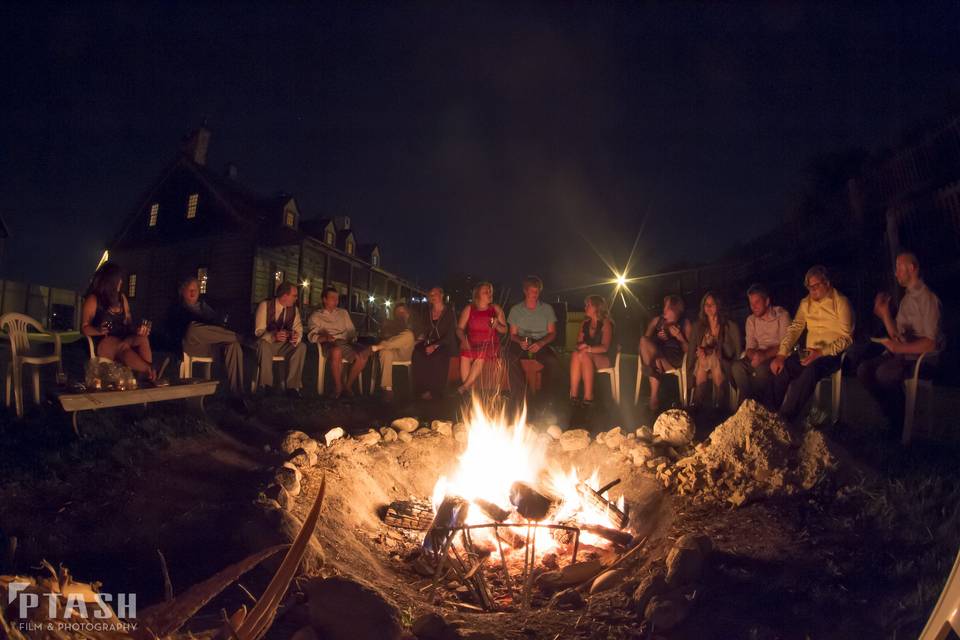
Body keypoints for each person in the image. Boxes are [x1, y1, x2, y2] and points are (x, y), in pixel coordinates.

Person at [857, 251, 943, 431]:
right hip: (902, 356)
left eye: (898, 268)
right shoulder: (906, 299)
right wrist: (885, 314)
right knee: (864, 369)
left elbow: (931, 343)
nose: (895, 273)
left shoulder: (928, 299)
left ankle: (899, 425)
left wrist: (899, 347)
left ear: (911, 268)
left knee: (884, 373)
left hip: (922, 359)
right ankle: (893, 415)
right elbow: (897, 335)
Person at [771, 265, 853, 422]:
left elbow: (847, 338)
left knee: (811, 370)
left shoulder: (841, 302)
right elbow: (795, 329)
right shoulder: (805, 304)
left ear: (827, 283)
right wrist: (781, 354)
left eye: (816, 286)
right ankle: (768, 412)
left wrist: (821, 352)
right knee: (785, 366)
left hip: (830, 355)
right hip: (809, 353)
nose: (812, 290)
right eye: (809, 287)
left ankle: (786, 419)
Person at [167, 276, 244, 395]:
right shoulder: (177, 308)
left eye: (195, 290)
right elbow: (176, 332)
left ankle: (237, 394)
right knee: (192, 328)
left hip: (210, 346)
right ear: (182, 292)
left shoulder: (204, 307)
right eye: (189, 290)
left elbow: (217, 328)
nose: (193, 292)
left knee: (233, 345)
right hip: (191, 345)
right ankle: (241, 337)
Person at [80, 262, 156, 381]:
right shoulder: (94, 299)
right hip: (103, 340)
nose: (121, 282)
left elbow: (128, 323)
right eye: (119, 279)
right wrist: (98, 330)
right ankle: (149, 370)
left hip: (122, 336)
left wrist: (138, 330)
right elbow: (84, 328)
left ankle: (145, 378)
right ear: (112, 281)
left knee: (142, 339)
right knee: (122, 346)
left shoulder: (122, 298)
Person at [730, 284, 790, 410]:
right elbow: (750, 347)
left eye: (757, 302)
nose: (753, 306)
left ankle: (760, 407)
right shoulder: (751, 320)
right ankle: (750, 404)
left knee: (762, 370)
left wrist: (764, 356)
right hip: (757, 355)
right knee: (737, 367)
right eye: (751, 303)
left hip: (774, 355)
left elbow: (785, 344)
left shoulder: (782, 316)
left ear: (767, 301)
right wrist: (755, 356)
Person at [307, 287, 370, 398]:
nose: (336, 301)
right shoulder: (316, 316)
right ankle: (338, 387)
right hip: (330, 343)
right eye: (332, 298)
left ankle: (347, 385)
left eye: (337, 298)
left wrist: (353, 339)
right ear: (324, 299)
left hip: (345, 342)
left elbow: (351, 331)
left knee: (364, 354)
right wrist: (325, 338)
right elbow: (311, 335)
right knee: (336, 351)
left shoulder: (343, 313)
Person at [506, 276, 559, 403]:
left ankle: (545, 398)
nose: (535, 294)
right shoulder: (516, 310)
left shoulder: (547, 309)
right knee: (509, 356)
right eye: (532, 291)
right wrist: (520, 341)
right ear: (525, 291)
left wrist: (541, 343)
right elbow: (512, 334)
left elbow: (552, 333)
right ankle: (521, 395)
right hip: (521, 342)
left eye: (537, 291)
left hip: (541, 342)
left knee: (552, 362)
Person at [686, 292, 741, 408]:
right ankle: (719, 403)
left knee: (713, 358)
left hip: (723, 361)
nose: (708, 307)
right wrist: (700, 352)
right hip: (701, 362)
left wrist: (712, 351)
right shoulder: (698, 326)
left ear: (719, 306)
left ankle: (697, 402)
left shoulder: (729, 326)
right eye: (706, 304)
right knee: (703, 359)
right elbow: (692, 350)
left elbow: (735, 350)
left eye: (712, 304)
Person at [639, 295, 691, 412]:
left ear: (675, 309)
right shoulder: (657, 321)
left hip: (673, 360)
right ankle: (654, 398)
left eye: (667, 307)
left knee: (655, 362)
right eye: (665, 307)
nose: (664, 310)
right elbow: (644, 344)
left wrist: (680, 337)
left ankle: (653, 399)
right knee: (645, 343)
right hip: (656, 355)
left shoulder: (684, 323)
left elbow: (689, 351)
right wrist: (656, 338)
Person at [253, 282, 306, 396]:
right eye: (294, 295)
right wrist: (273, 335)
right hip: (268, 343)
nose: (296, 299)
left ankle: (293, 387)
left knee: (301, 346)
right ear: (285, 296)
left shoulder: (294, 310)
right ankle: (266, 385)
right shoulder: (265, 305)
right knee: (263, 344)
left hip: (283, 345)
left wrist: (296, 337)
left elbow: (299, 329)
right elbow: (258, 331)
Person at [456, 282, 507, 395]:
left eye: (490, 292)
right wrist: (464, 341)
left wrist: (497, 325)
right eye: (486, 292)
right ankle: (470, 392)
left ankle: (464, 387)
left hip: (490, 344)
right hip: (472, 342)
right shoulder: (469, 309)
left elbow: (505, 330)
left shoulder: (496, 309)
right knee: (465, 355)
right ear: (478, 295)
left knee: (481, 354)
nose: (489, 294)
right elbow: (459, 329)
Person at [412, 287, 457, 400]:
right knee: (418, 354)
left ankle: (435, 391)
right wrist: (418, 340)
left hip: (444, 343)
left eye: (434, 294)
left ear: (441, 295)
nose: (432, 297)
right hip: (429, 342)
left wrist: (436, 345)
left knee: (437, 356)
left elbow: (450, 334)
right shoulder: (427, 313)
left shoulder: (449, 312)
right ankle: (422, 389)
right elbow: (424, 331)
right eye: (430, 295)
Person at [569, 295, 614, 407]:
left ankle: (588, 396)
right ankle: (573, 395)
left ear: (596, 308)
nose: (585, 307)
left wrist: (588, 348)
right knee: (576, 354)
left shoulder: (606, 323)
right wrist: (580, 346)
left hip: (604, 357)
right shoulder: (585, 323)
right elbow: (578, 343)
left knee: (584, 355)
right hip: (587, 354)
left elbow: (605, 347)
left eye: (588, 305)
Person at [370, 301, 415, 401]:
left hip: (405, 352)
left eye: (403, 312)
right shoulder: (392, 324)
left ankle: (379, 347)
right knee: (385, 352)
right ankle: (388, 389)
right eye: (398, 313)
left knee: (409, 335)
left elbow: (419, 337)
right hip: (392, 350)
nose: (401, 314)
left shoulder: (413, 324)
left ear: (408, 313)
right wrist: (387, 330)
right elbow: (383, 336)